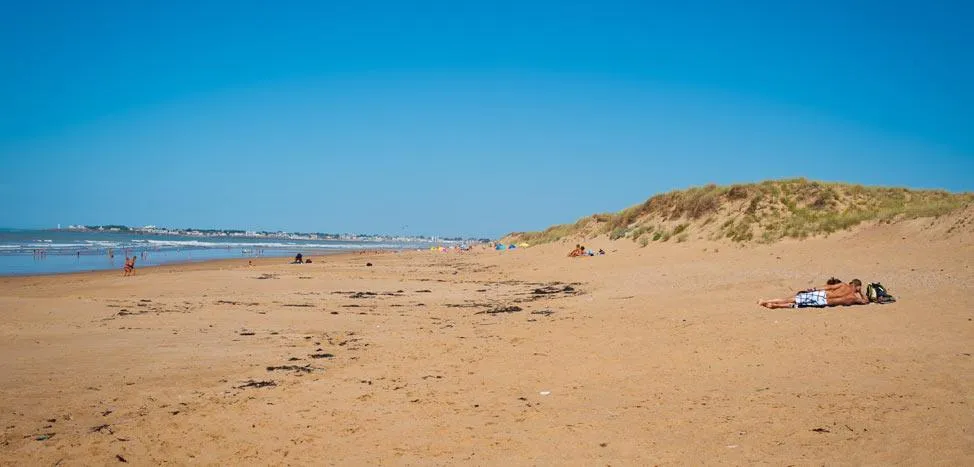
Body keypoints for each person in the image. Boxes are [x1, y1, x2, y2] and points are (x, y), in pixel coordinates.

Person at [758, 279, 868, 309]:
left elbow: (829, 287)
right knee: (798, 305)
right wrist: (861, 292)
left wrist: (814, 289)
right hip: (824, 303)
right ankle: (774, 306)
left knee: (792, 299)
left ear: (852, 283)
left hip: (822, 295)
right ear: (858, 287)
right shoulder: (853, 298)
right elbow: (866, 301)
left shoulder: (843, 285)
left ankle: (766, 301)